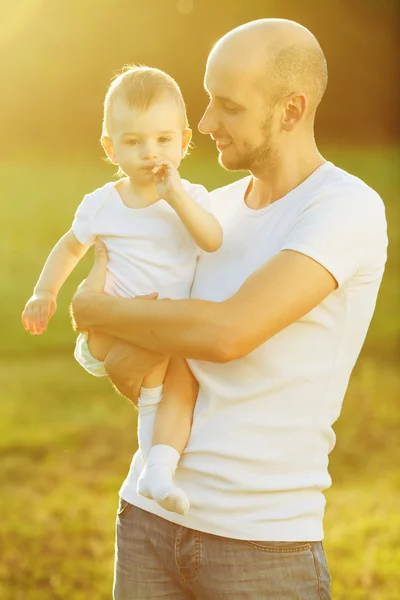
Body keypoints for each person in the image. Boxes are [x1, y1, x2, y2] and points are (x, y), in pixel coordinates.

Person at [72, 18, 388, 600]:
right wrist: (117, 344)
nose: (206, 123)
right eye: (206, 100)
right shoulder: (204, 212)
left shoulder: (344, 209)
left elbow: (226, 334)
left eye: (228, 106)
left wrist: (93, 310)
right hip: (146, 518)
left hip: (260, 546)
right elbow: (135, 371)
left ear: (290, 110)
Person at [21, 65, 223, 516]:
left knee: (173, 390)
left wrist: (177, 199)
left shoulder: (191, 197)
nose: (151, 153)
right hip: (116, 327)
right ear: (111, 147)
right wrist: (44, 292)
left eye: (163, 140)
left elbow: (211, 239)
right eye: (134, 142)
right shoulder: (103, 204)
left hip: (164, 329)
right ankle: (158, 467)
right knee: (166, 389)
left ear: (184, 142)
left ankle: (157, 470)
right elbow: (69, 247)